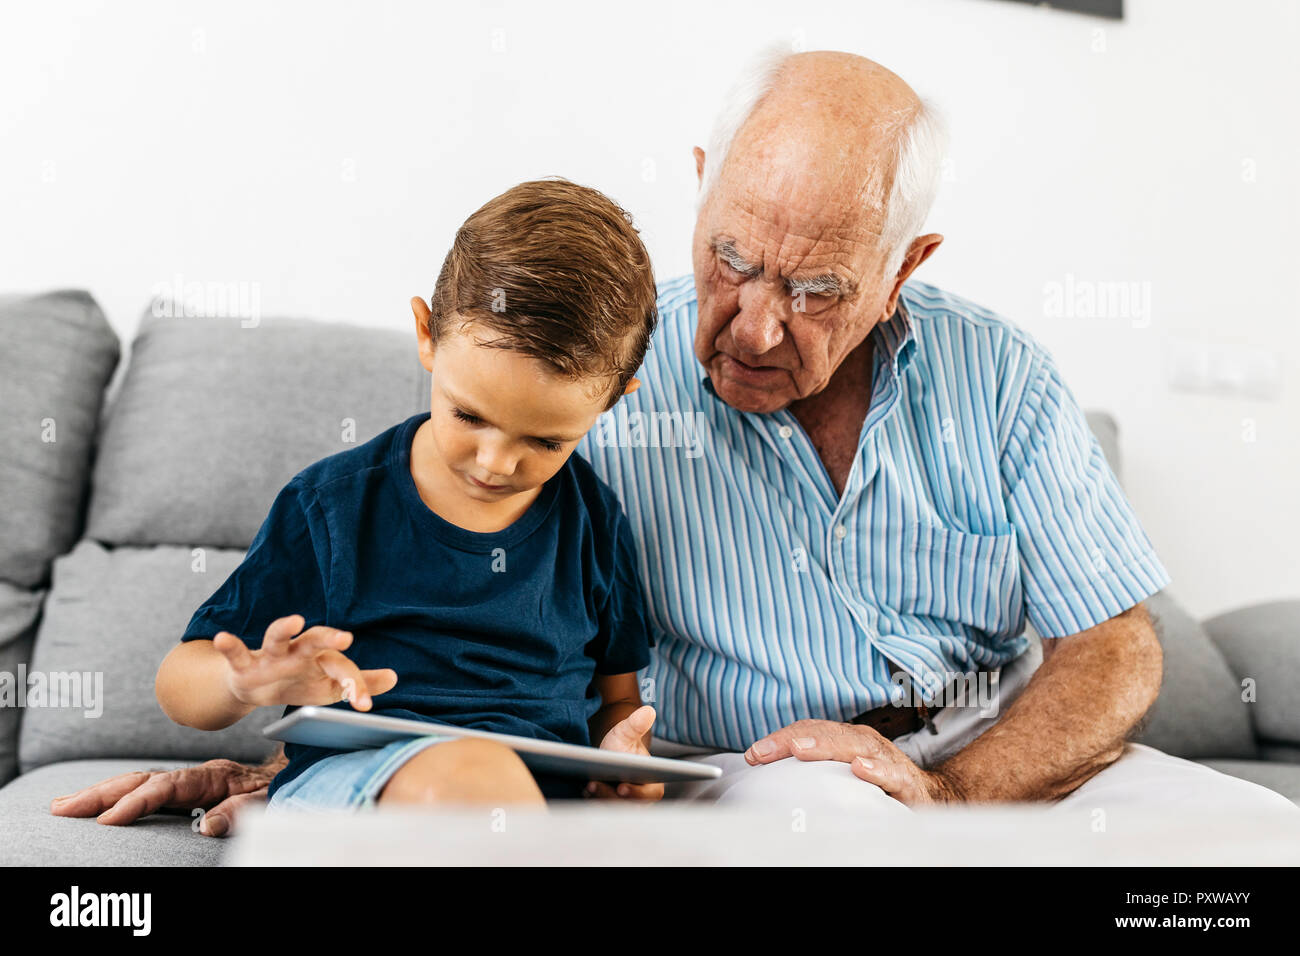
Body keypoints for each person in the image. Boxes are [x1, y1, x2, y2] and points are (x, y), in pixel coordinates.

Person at [52, 49, 1298, 836]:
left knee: (1245, 852)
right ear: (699, 187)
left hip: (1000, 756)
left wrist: (961, 796)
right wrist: (316, 768)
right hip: (776, 777)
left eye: (815, 290)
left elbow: (1116, 651)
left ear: (903, 268)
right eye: (731, 260)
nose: (752, 326)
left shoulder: (1003, 378)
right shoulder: (593, 369)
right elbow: (434, 635)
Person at [154, 177, 664, 813]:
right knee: (467, 784)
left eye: (546, 441)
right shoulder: (334, 506)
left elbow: (616, 699)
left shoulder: (595, 521)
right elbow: (180, 682)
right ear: (426, 334)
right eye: (469, 416)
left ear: (616, 399)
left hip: (544, 804)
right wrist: (241, 680)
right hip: (362, 783)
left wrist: (624, 757)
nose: (495, 462)